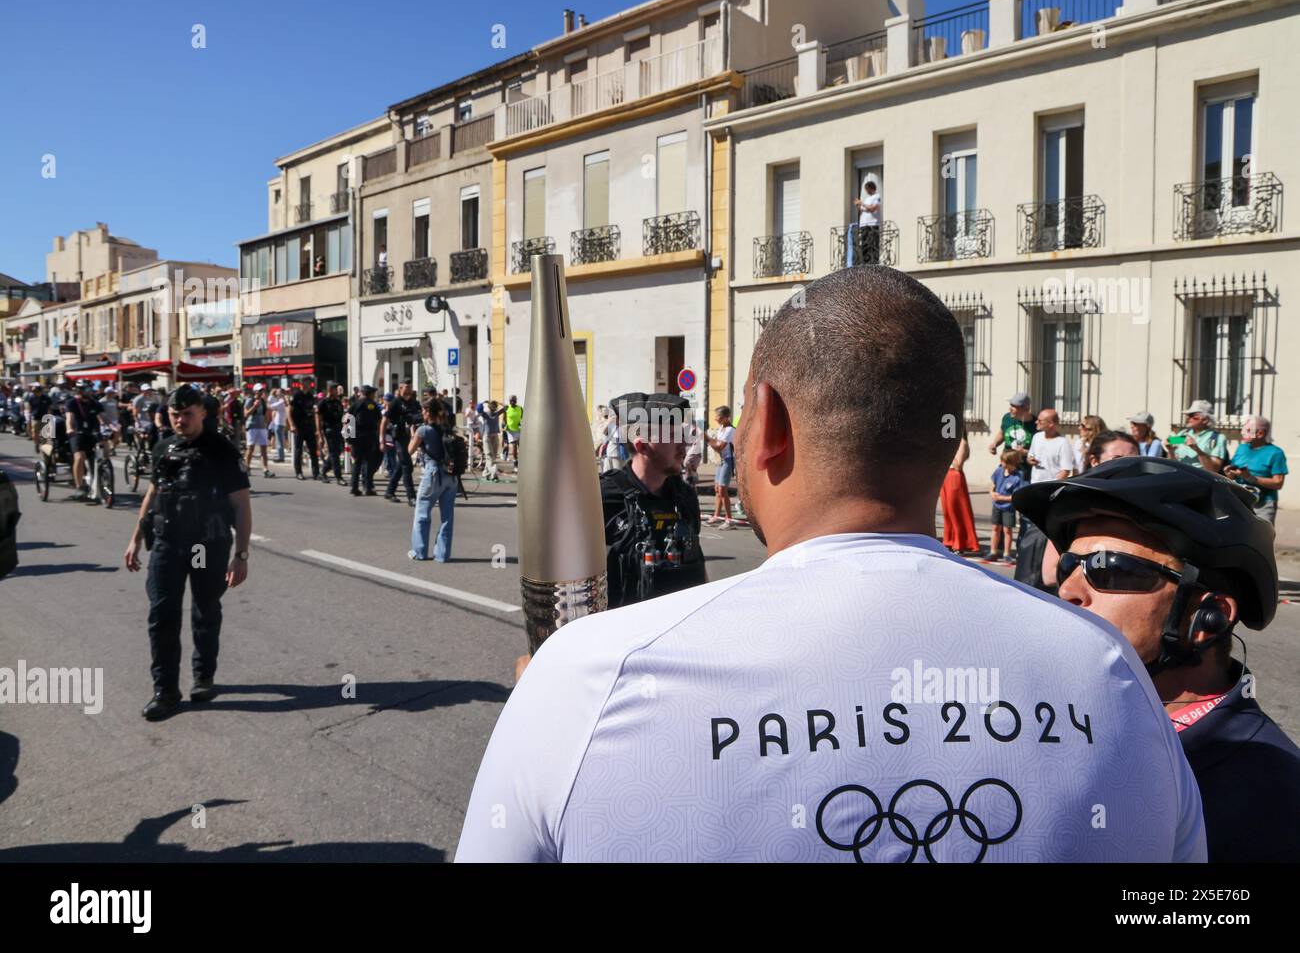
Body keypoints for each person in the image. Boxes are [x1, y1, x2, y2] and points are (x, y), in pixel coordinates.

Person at [456, 265, 1205, 863]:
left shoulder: (589, 677)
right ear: (949, 447)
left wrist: (554, 705)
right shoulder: (1114, 675)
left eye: (745, 412)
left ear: (770, 426)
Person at [1015, 456, 1299, 862]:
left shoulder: (1270, 798)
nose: (1068, 591)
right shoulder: (1058, 721)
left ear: (1207, 618)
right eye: (1069, 567)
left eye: (1109, 569)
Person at [123, 385, 252, 721]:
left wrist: (240, 556)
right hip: (168, 543)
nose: (180, 420)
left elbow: (240, 505)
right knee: (162, 614)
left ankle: (203, 676)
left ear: (202, 413)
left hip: (201, 546)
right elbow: (152, 493)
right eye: (174, 414)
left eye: (187, 414)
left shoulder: (221, 450)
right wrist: (136, 537)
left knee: (204, 608)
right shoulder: (163, 447)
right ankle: (165, 691)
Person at [599, 392, 707, 608]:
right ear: (642, 445)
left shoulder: (685, 496)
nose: (683, 444)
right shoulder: (603, 498)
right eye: (673, 436)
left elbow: (697, 564)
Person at [409, 398, 458, 561]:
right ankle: (442, 555)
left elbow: (410, 450)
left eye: (423, 410)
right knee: (447, 517)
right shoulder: (447, 428)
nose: (421, 413)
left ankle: (419, 551)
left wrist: (412, 434)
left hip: (433, 474)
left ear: (428, 412)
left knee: (422, 513)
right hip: (451, 476)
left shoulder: (423, 430)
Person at [1224, 415, 1287, 524]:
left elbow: (1278, 483)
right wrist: (1229, 473)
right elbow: (1233, 474)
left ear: (1260, 433)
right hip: (1239, 500)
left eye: (1248, 430)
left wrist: (1250, 478)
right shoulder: (1241, 448)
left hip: (1262, 505)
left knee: (1261, 538)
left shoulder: (1276, 453)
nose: (1242, 433)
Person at [939, 429, 979, 555]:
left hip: (954, 476)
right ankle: (949, 541)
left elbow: (958, 464)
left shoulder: (962, 443)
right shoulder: (951, 442)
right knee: (947, 512)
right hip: (946, 476)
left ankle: (960, 543)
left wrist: (946, 451)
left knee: (956, 510)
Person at [382, 382, 420, 505]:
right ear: (400, 389)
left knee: (401, 465)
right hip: (399, 438)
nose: (408, 390)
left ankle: (389, 491)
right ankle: (411, 497)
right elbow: (384, 422)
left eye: (410, 388)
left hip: (410, 438)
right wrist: (381, 440)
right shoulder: (395, 403)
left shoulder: (414, 403)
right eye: (406, 388)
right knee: (407, 466)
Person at [64, 382, 103, 502]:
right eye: (86, 389)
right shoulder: (72, 403)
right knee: (80, 457)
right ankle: (79, 486)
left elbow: (102, 417)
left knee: (104, 452)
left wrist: (111, 425)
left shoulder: (95, 403)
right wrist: (69, 428)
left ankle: (101, 484)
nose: (89, 391)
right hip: (77, 433)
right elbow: (69, 418)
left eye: (90, 389)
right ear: (80, 391)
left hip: (92, 432)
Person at [1170, 400, 1228, 473]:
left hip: (1200, 481)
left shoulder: (1217, 438)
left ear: (1205, 420)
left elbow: (1214, 470)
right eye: (1188, 415)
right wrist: (1170, 450)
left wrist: (1197, 450)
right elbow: (1172, 463)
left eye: (1192, 416)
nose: (1188, 418)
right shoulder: (1182, 434)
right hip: (1180, 478)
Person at [988, 449, 1024, 564]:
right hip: (997, 506)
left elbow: (1015, 496)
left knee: (1007, 530)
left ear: (1011, 462)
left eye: (1003, 461)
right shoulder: (999, 471)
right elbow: (992, 484)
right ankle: (993, 551)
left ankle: (1007, 554)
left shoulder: (1018, 476)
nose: (1001, 463)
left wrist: (1001, 498)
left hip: (1008, 508)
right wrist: (992, 493)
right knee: (995, 528)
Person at [705, 405, 737, 528]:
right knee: (717, 489)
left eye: (717, 416)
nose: (715, 419)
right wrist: (711, 440)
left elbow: (719, 447)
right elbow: (716, 444)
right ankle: (717, 516)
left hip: (728, 461)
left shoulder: (729, 430)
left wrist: (707, 439)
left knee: (723, 489)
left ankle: (729, 519)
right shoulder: (721, 428)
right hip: (720, 460)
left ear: (725, 418)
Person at [349, 385, 382, 496]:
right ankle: (367, 487)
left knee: (357, 462)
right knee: (368, 462)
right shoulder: (372, 405)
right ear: (369, 394)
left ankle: (354, 487)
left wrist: (348, 437)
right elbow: (379, 421)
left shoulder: (355, 404)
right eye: (373, 393)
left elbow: (346, 419)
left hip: (356, 436)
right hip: (368, 436)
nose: (374, 395)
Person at [987, 392, 1034, 470]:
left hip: (1025, 469)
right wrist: (995, 444)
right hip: (1006, 465)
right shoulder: (1007, 418)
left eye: (1014, 407)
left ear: (1025, 408)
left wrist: (1025, 452)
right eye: (1010, 406)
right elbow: (1002, 433)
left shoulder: (1036, 424)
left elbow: (1040, 452)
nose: (1010, 409)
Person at [1027, 408, 1075, 483]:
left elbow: (1066, 470)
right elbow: (1030, 456)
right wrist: (1030, 460)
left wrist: (1052, 486)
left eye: (1040, 421)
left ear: (1050, 424)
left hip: (1050, 487)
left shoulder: (1063, 443)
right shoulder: (1037, 437)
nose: (1036, 422)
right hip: (1034, 484)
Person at [288, 383, 320, 480]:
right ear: (301, 385)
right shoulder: (296, 395)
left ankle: (316, 473)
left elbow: (314, 412)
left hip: (309, 426)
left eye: (307, 383)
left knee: (313, 450)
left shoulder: (311, 396)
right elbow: (289, 411)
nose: (306, 386)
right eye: (304, 383)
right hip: (299, 426)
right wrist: (292, 425)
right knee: (298, 450)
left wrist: (317, 429)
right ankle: (298, 472)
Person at [316, 384, 347, 484]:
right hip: (329, 430)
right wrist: (319, 432)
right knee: (334, 454)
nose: (337, 391)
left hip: (338, 429)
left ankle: (323, 471)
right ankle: (339, 477)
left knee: (337, 452)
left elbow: (342, 417)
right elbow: (318, 418)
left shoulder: (338, 402)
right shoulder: (323, 403)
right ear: (330, 390)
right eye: (335, 389)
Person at [243, 383, 275, 478]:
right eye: (259, 390)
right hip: (252, 426)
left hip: (261, 427)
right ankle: (247, 467)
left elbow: (265, 413)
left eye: (262, 390)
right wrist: (254, 407)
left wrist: (266, 423)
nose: (261, 392)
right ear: (255, 391)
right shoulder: (250, 400)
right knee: (250, 448)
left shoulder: (263, 401)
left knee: (264, 449)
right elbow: (246, 414)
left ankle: (265, 469)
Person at [851, 176, 882, 265]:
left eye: (867, 189)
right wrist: (858, 205)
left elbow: (873, 208)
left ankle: (873, 263)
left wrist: (862, 203)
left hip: (872, 225)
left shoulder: (876, 196)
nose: (866, 191)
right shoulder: (867, 199)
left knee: (872, 244)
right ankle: (865, 263)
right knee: (865, 245)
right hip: (864, 225)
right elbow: (862, 211)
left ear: (871, 188)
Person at [480, 400, 502, 479]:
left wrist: (499, 403)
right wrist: (482, 403)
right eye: (492, 406)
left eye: (494, 406)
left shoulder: (496, 414)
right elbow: (479, 409)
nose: (493, 408)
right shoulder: (485, 414)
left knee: (493, 456)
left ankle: (486, 472)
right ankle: (493, 473)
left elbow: (506, 408)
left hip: (495, 436)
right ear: (489, 407)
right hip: (487, 436)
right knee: (489, 455)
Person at [267, 387, 289, 463]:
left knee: (279, 441)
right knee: (279, 440)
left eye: (278, 392)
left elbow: (271, 406)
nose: (276, 393)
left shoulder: (281, 401)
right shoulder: (281, 400)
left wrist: (268, 402)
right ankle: (280, 455)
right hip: (279, 422)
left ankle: (281, 457)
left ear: (282, 393)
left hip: (279, 423)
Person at [501, 395, 523, 465]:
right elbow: (504, 418)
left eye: (514, 400)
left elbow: (523, 417)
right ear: (509, 401)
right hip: (510, 430)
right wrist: (504, 425)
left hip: (518, 429)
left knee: (520, 446)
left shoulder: (520, 408)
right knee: (514, 445)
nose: (512, 402)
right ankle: (515, 461)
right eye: (511, 401)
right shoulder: (507, 408)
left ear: (516, 401)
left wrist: (521, 423)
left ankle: (522, 460)